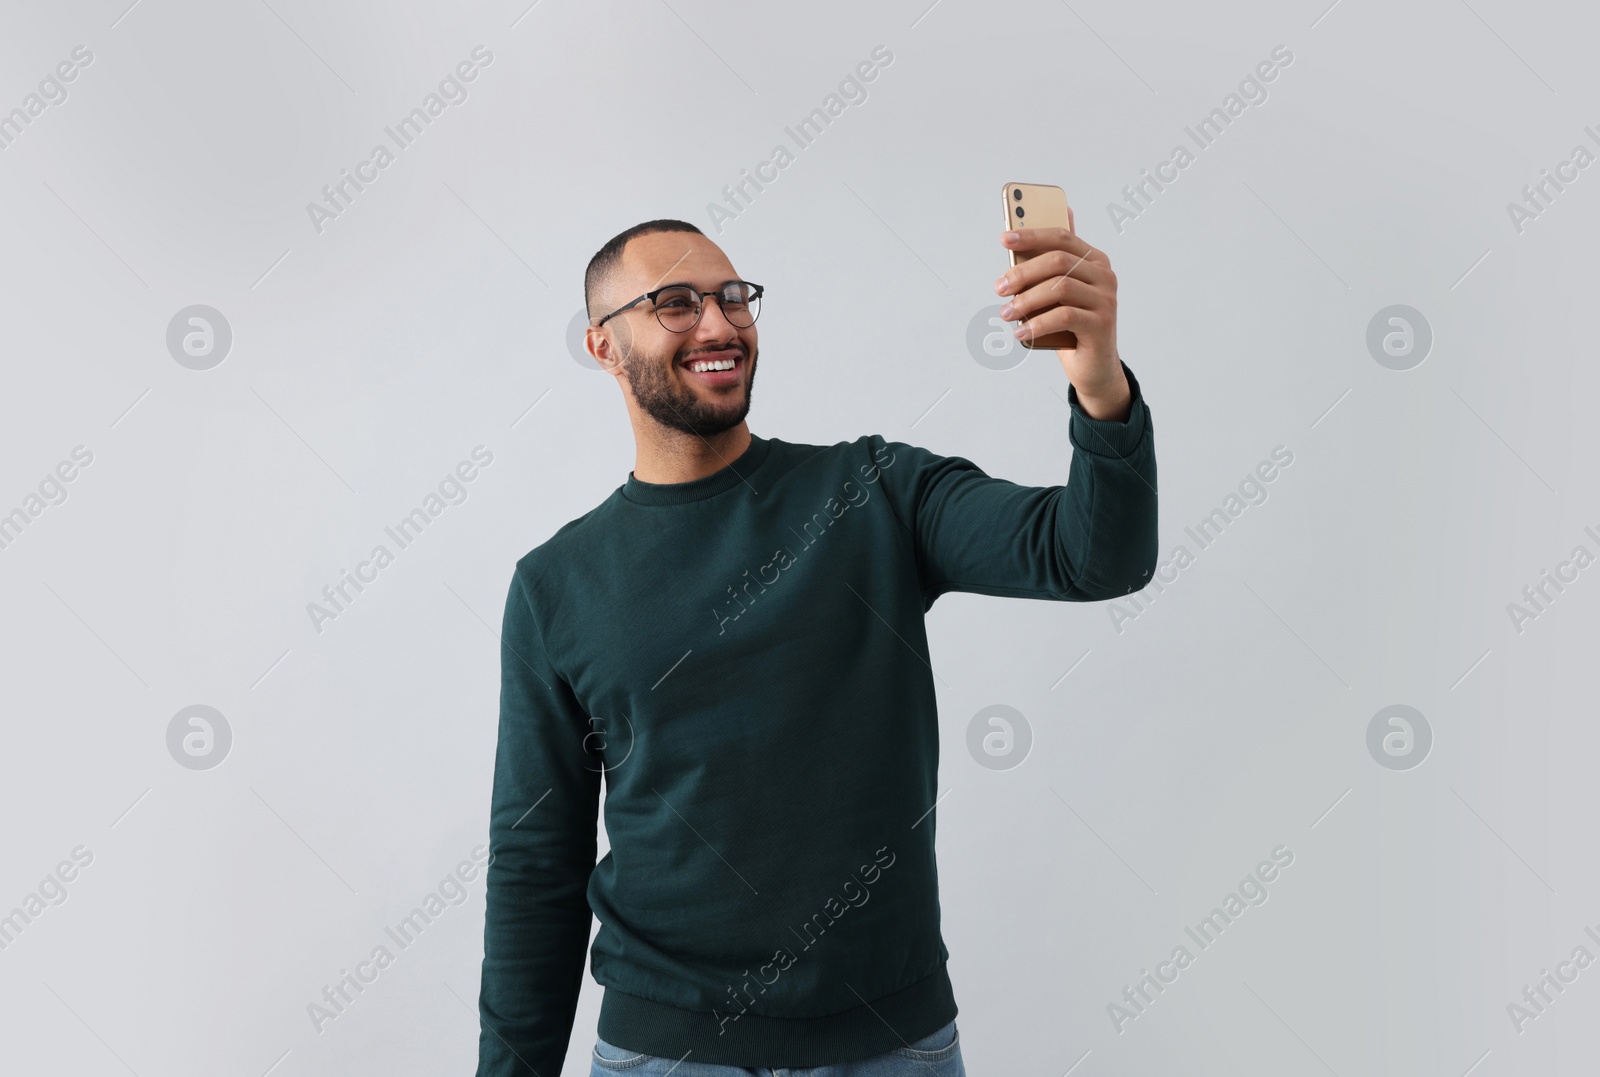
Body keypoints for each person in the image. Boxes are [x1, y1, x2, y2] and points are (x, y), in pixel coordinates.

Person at [475, 216, 1157, 1077]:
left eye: (732, 298)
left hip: (891, 1046)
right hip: (669, 1054)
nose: (719, 324)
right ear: (604, 347)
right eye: (675, 304)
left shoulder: (875, 493)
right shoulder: (556, 586)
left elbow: (1095, 555)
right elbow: (537, 865)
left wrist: (1099, 382)